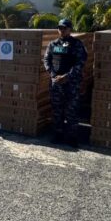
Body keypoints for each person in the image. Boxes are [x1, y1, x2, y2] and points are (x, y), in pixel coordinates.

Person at [43, 19, 88, 147]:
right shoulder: (53, 44)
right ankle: (58, 134)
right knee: (57, 110)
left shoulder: (77, 44)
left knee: (71, 110)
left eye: (64, 28)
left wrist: (67, 76)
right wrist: (53, 75)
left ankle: (72, 137)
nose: (62, 30)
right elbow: (46, 60)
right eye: (60, 28)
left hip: (71, 84)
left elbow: (80, 63)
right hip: (56, 83)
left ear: (70, 29)